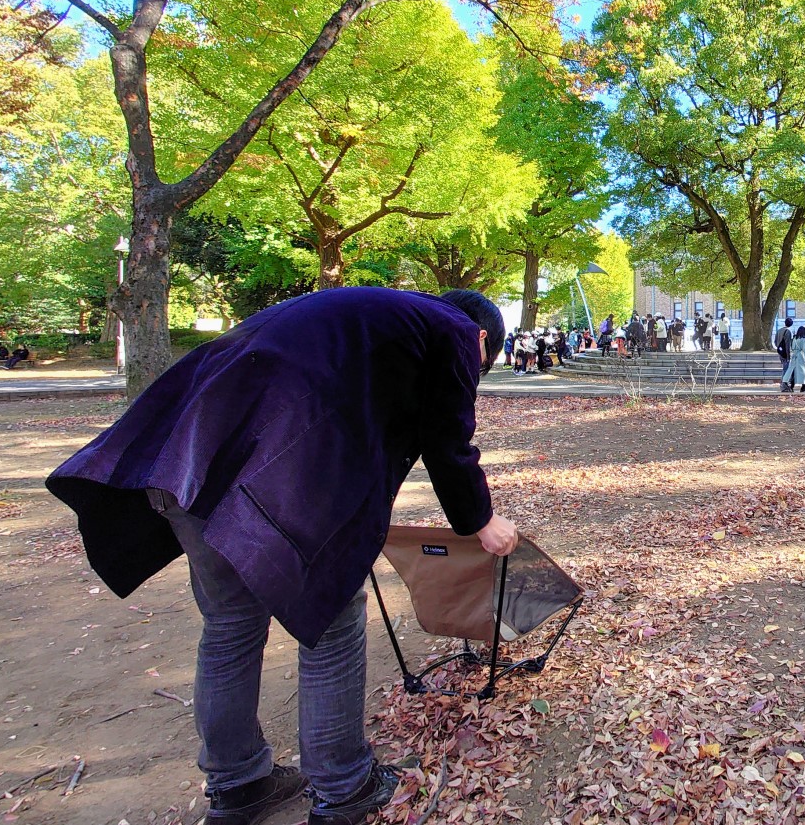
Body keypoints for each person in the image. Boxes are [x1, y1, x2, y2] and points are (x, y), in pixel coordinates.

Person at [46, 288, 517, 825]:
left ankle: (238, 786)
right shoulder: (455, 329)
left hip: (183, 464)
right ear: (482, 337)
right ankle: (344, 787)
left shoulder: (366, 317)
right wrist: (480, 520)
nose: (473, 374)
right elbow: (447, 438)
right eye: (481, 367)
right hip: (267, 477)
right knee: (332, 621)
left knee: (229, 626)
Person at [782, 326, 805, 393]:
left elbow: (792, 347)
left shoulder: (794, 339)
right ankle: (803, 386)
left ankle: (787, 382)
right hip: (800, 356)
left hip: (794, 355)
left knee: (792, 371)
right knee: (803, 372)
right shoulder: (803, 339)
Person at [774, 317, 795, 392]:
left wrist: (780, 349)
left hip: (780, 352)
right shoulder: (788, 332)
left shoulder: (779, 330)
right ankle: (784, 385)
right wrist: (788, 356)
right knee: (786, 369)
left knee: (785, 368)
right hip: (785, 354)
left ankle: (785, 384)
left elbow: (775, 342)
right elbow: (788, 345)